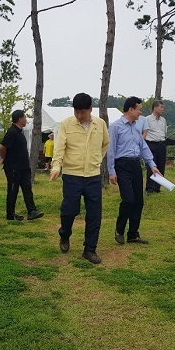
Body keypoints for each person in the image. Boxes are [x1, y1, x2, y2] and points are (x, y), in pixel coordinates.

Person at [49, 93, 110, 264]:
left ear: (91, 109)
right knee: (69, 211)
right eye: (76, 111)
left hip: (92, 176)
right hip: (72, 175)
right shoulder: (66, 124)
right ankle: (65, 234)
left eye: (82, 112)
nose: (79, 115)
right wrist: (56, 167)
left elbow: (105, 144)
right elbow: (59, 148)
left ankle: (90, 249)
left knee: (94, 214)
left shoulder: (100, 124)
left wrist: (96, 159)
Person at [107, 96, 160, 245]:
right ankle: (119, 229)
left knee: (138, 201)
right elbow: (110, 150)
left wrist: (152, 164)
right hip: (122, 166)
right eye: (139, 109)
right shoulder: (115, 127)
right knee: (128, 200)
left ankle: (133, 234)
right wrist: (111, 171)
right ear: (131, 109)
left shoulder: (136, 127)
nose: (140, 113)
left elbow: (143, 146)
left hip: (136, 165)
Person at [0, 110, 44, 221]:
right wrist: (4, 158)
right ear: (19, 119)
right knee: (13, 190)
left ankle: (32, 211)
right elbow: (2, 147)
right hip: (13, 167)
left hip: (23, 167)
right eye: (25, 117)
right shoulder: (12, 132)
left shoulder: (20, 132)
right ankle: (10, 214)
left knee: (27, 189)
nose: (26, 119)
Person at [145, 100, 167, 193]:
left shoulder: (163, 120)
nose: (162, 109)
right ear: (154, 107)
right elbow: (144, 133)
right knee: (151, 166)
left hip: (161, 144)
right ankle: (150, 188)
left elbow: (164, 132)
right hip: (151, 144)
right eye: (161, 107)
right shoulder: (147, 119)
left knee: (161, 166)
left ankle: (157, 188)